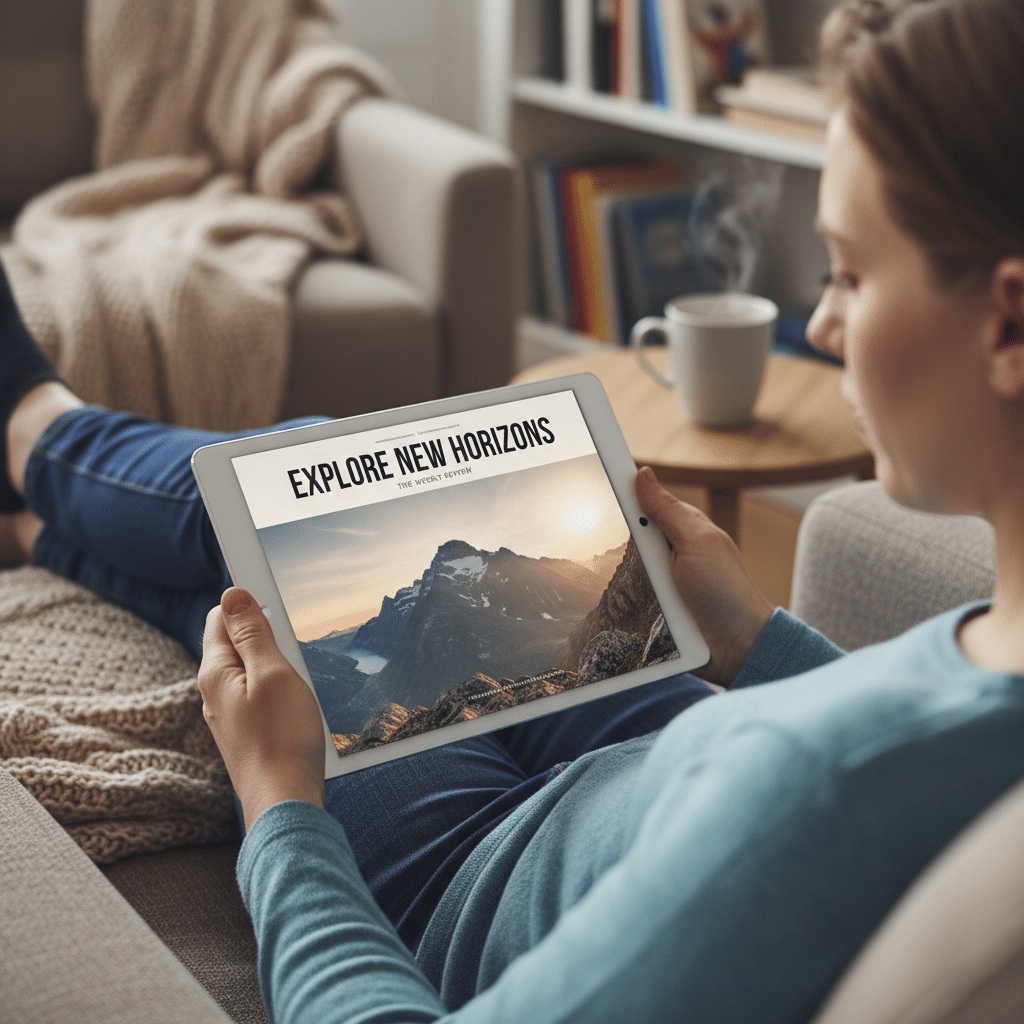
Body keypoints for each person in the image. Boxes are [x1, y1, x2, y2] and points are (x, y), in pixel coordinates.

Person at [3, 0, 1024, 1018]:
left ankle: (30, 425)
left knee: (269, 544)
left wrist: (281, 807)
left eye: (848, 269)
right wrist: (757, 641)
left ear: (1007, 322)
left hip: (483, 863)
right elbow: (928, 729)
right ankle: (36, 500)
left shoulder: (818, 792)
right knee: (314, 480)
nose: (822, 320)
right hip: (667, 756)